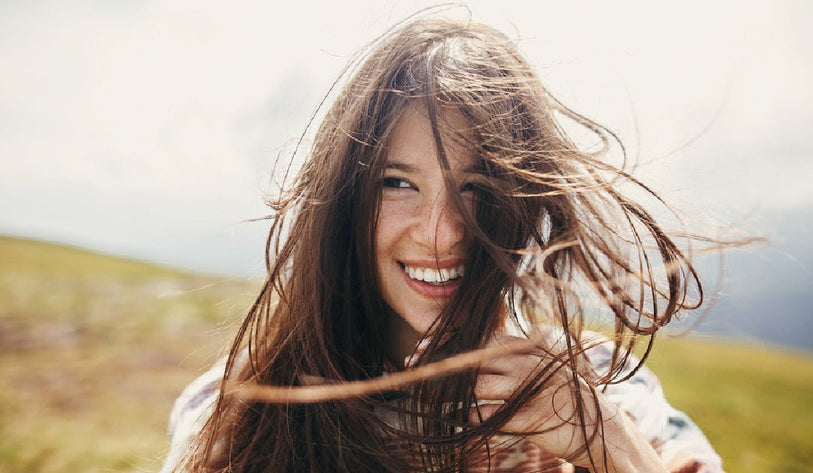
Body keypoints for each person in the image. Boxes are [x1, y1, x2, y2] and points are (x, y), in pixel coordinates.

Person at [161, 12, 726, 473]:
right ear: (344, 198)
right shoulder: (235, 418)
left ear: (522, 199)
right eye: (398, 182)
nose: (441, 232)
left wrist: (611, 446)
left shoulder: (608, 385)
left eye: (477, 187)